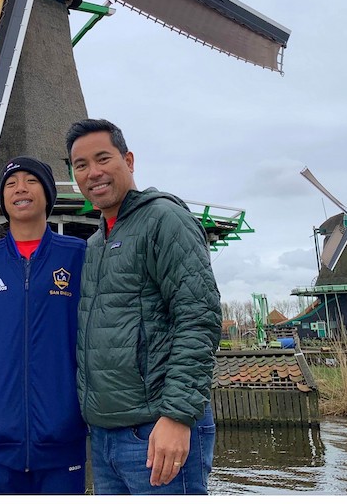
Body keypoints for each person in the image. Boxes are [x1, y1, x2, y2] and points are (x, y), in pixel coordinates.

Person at [65, 118, 220, 495]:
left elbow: (198, 317)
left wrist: (178, 416)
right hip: (105, 437)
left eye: (103, 159)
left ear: (129, 160)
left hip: (155, 430)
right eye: (81, 165)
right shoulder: (96, 243)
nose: (93, 173)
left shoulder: (164, 220)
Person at [0, 156, 87, 494]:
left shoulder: (78, 255)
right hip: (0, 438)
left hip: (63, 434)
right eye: (11, 182)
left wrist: (75, 406)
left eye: (31, 180)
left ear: (48, 193)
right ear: (2, 198)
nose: (21, 188)